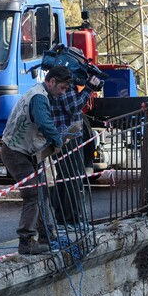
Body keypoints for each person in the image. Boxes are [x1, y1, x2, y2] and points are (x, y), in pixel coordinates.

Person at [1, 66, 71, 255]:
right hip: (16, 151)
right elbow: (44, 122)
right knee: (33, 193)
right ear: (52, 81)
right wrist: (57, 139)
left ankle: (46, 234)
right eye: (62, 88)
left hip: (26, 151)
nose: (62, 93)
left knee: (43, 192)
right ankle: (26, 241)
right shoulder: (39, 98)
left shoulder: (39, 93)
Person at [51, 69, 101, 227]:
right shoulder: (66, 83)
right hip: (68, 135)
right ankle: (73, 220)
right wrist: (88, 88)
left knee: (65, 177)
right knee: (73, 178)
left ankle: (64, 219)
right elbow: (73, 107)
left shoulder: (63, 82)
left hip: (65, 134)